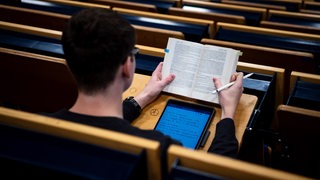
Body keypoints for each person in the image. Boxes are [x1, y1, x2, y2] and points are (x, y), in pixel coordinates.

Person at [42, 8, 243, 160]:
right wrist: (228, 114)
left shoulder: (36, 127)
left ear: (69, 65)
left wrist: (142, 98)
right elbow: (216, 171)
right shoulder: (157, 148)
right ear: (127, 67)